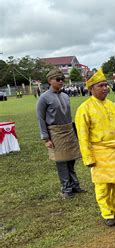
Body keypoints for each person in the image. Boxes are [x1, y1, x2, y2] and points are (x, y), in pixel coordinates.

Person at [75, 69, 115, 227]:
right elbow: (83, 136)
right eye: (100, 86)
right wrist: (88, 158)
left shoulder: (112, 105)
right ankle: (107, 214)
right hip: (100, 152)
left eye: (106, 85)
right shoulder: (84, 109)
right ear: (91, 89)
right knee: (103, 185)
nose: (105, 88)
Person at [36, 68, 84, 199]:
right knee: (61, 161)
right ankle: (66, 189)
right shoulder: (44, 98)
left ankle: (75, 185)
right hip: (55, 132)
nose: (61, 81)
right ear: (50, 80)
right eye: (58, 79)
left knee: (71, 159)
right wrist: (46, 138)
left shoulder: (65, 95)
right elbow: (40, 118)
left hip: (68, 130)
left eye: (63, 79)